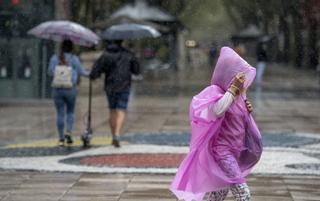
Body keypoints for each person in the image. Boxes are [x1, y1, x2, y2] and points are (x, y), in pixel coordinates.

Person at [170, 47, 262, 201]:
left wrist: (246, 109)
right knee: (243, 193)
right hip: (222, 152)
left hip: (236, 150)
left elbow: (239, 119)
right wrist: (232, 89)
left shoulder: (239, 94)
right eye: (238, 76)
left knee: (218, 194)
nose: (242, 81)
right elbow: (218, 110)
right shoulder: (216, 92)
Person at [90, 40, 140, 148]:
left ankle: (114, 135)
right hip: (124, 85)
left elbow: (97, 69)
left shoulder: (106, 55)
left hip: (110, 86)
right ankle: (117, 134)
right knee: (121, 109)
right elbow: (136, 70)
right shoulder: (127, 54)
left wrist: (93, 76)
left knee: (112, 110)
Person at [48, 39, 89, 146]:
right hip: (71, 90)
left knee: (60, 113)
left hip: (57, 90)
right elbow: (82, 72)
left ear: (61, 47)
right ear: (72, 48)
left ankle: (61, 139)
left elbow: (50, 72)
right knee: (70, 112)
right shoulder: (74, 59)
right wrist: (92, 74)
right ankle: (68, 133)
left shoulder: (54, 58)